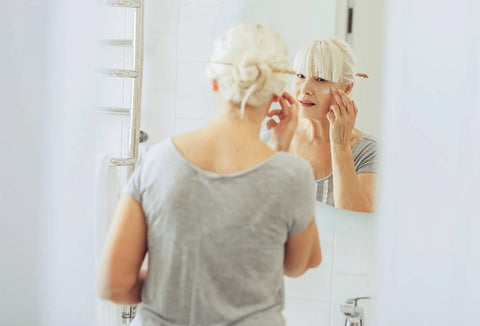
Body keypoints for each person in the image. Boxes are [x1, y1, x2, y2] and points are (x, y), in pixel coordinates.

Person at [95, 23, 321, 326]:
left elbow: (113, 285)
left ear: (215, 82)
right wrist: (282, 150)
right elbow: (300, 263)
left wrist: (176, 279)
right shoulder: (292, 175)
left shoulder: (157, 161)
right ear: (276, 95)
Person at [265, 37, 378, 212]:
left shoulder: (367, 151)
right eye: (300, 76)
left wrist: (340, 145)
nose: (305, 89)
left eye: (321, 79)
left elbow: (355, 220)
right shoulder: (273, 139)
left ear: (347, 88)